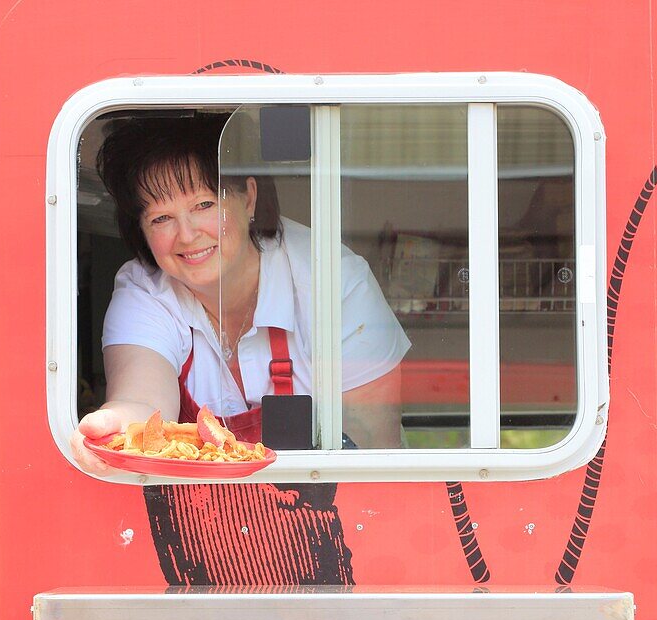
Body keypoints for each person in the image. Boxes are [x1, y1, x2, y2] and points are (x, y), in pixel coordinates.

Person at [72, 113, 409, 475]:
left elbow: (373, 444)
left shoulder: (332, 279)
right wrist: (118, 426)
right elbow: (142, 401)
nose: (186, 235)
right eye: (161, 218)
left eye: (204, 205)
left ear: (248, 198)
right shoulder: (144, 289)